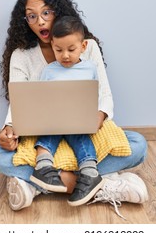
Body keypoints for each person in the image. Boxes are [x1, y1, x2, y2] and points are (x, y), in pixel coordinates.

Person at [0, 0, 149, 212]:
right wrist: (9, 128)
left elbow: (105, 95)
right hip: (44, 139)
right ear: (25, 21)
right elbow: (19, 101)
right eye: (32, 16)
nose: (40, 21)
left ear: (58, 11)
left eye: (46, 12)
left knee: (138, 145)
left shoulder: (87, 46)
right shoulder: (22, 55)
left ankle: (40, 185)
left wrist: (97, 118)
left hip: (84, 135)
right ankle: (90, 184)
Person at [30, 16, 104, 206]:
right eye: (58, 50)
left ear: (83, 46)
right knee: (48, 134)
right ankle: (44, 169)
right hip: (53, 120)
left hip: (78, 120)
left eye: (71, 50)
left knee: (80, 137)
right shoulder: (49, 71)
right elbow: (40, 98)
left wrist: (96, 115)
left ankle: (89, 174)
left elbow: (97, 94)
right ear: (52, 45)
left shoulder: (90, 68)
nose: (65, 55)